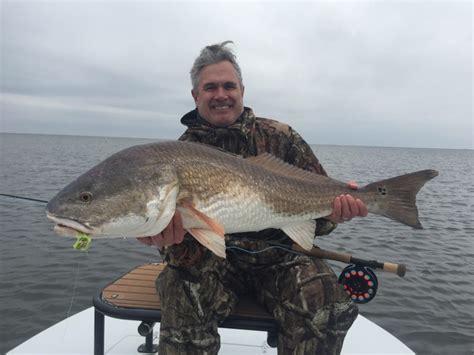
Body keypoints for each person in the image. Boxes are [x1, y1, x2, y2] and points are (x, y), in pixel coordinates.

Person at [138, 41, 368, 355]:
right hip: (213, 265)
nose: (221, 94)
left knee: (324, 296)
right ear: (196, 95)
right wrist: (164, 239)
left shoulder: (281, 137)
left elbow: (319, 214)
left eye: (229, 85)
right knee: (180, 288)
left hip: (283, 260)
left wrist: (335, 213)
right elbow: (181, 251)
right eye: (210, 87)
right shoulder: (179, 154)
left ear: (242, 90)